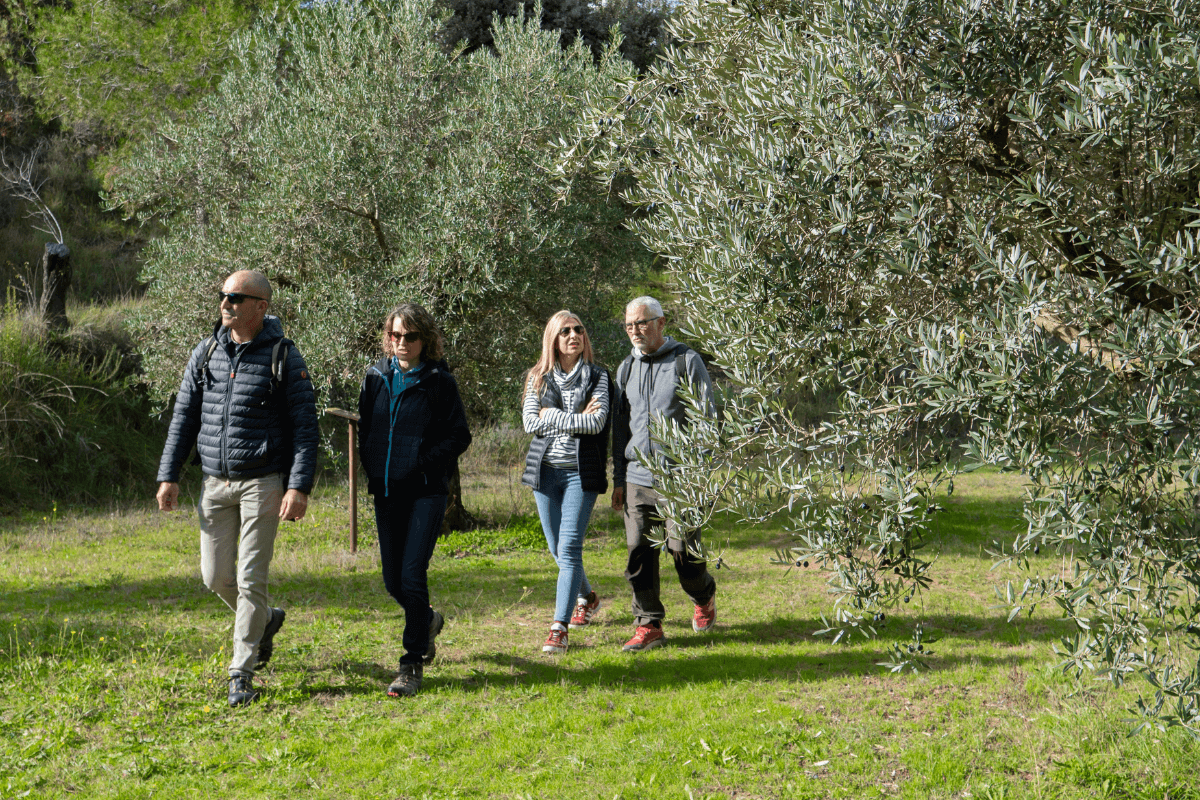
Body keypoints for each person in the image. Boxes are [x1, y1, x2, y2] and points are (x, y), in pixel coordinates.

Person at [156, 270, 319, 707]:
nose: (225, 303)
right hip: (214, 482)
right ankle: (266, 620)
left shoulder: (283, 356)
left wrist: (298, 486)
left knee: (249, 578)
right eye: (223, 295)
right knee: (215, 577)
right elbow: (184, 417)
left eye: (235, 297)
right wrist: (169, 474)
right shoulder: (206, 351)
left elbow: (306, 428)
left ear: (260, 307)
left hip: (262, 482)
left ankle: (240, 672)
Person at [357, 303, 471, 697]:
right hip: (387, 491)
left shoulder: (440, 382)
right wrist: (373, 467)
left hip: (425, 492)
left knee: (411, 575)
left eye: (410, 336)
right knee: (392, 581)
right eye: (395, 335)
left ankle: (410, 663)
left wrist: (420, 463)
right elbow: (366, 428)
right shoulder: (375, 377)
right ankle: (428, 620)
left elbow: (459, 436)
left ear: (425, 339)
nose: (401, 342)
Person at [611, 296, 717, 651]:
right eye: (629, 325)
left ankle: (703, 595)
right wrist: (619, 479)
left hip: (679, 478)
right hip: (638, 477)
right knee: (638, 555)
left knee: (683, 553)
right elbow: (620, 429)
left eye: (642, 323)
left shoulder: (685, 360)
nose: (635, 330)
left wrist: (697, 473)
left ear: (661, 322)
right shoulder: (626, 368)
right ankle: (649, 624)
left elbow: (706, 419)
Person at [520, 311, 610, 654]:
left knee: (570, 548)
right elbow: (530, 423)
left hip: (580, 474)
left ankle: (559, 628)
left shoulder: (599, 377)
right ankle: (587, 597)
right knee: (556, 548)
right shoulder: (538, 378)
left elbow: (597, 423)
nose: (574, 335)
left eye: (579, 329)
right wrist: (575, 418)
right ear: (553, 339)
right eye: (566, 331)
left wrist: (552, 416)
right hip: (544, 473)